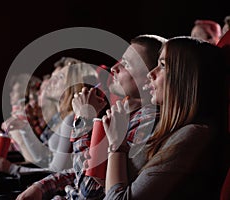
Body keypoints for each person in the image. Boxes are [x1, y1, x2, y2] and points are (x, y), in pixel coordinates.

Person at [15, 34, 167, 200]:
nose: (114, 68)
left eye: (126, 64)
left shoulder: (148, 121)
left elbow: (90, 189)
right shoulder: (120, 115)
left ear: (149, 78)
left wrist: (84, 119)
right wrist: (42, 186)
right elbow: (84, 170)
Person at [103, 36, 228, 200]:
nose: (151, 74)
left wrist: (116, 146)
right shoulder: (168, 127)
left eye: (162, 65)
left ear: (184, 78)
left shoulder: (194, 134)